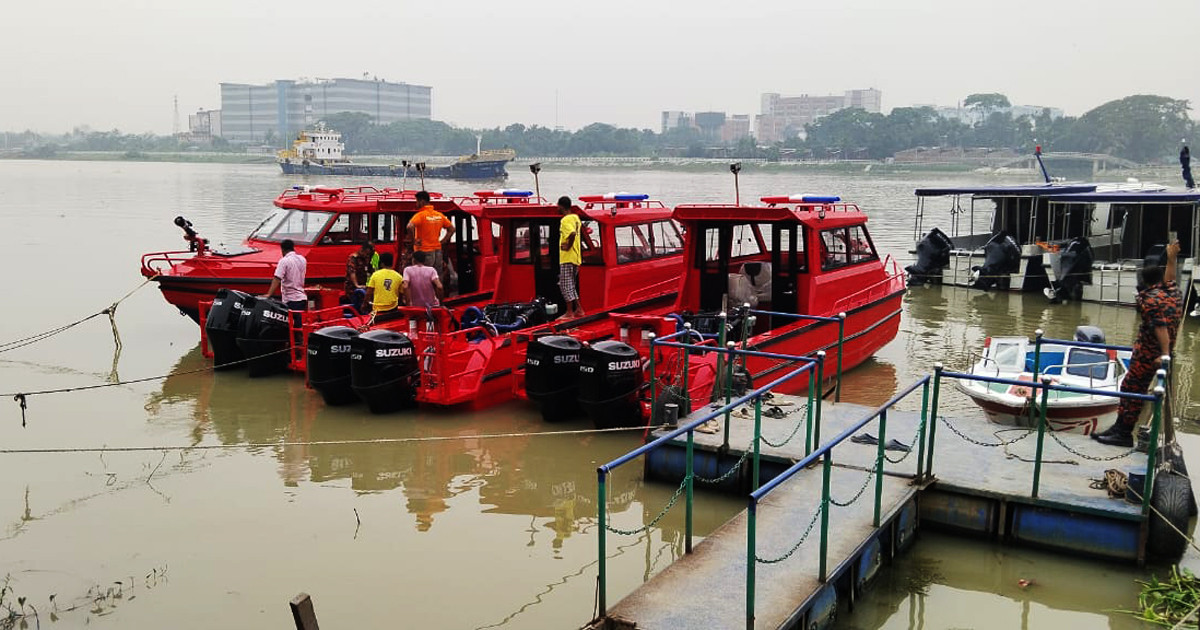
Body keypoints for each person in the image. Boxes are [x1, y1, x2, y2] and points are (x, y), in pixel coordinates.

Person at [1093, 240, 1183, 447]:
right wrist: (1172, 257)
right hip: (1157, 353)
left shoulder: (1149, 299)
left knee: (1131, 389)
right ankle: (1119, 426)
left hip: (1149, 354)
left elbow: (1160, 328)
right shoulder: (1172, 293)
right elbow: (1171, 276)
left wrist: (1164, 354)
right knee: (1132, 388)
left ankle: (1123, 433)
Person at [406, 190, 455, 289]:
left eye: (417, 201)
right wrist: (442, 242)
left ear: (422, 202)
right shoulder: (439, 215)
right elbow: (452, 229)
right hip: (437, 251)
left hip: (424, 252)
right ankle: (438, 299)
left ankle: (423, 298)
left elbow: (409, 226)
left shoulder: (420, 215)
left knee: (423, 277)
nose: (416, 204)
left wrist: (413, 241)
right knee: (437, 277)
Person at [557, 195, 585, 318]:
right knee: (571, 285)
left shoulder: (565, 220)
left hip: (567, 257)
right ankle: (579, 309)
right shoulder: (576, 218)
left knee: (565, 285)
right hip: (575, 257)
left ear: (561, 206)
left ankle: (569, 312)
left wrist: (567, 246)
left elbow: (572, 233)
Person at [263, 239, 308, 313]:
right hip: (302, 298)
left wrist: (269, 294)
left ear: (282, 249)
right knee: (298, 323)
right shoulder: (302, 259)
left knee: (291, 323)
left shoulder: (284, 261)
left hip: (291, 300)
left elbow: (277, 278)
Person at [365, 252, 406, 322]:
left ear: (382, 263)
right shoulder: (399, 276)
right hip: (393, 309)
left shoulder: (375, 275)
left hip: (378, 310)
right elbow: (401, 296)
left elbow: (369, 293)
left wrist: (365, 304)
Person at [345, 242, 374, 314]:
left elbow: (371, 270)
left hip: (363, 284)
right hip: (352, 287)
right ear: (362, 250)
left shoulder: (367, 258)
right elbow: (352, 272)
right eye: (366, 253)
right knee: (357, 304)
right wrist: (356, 285)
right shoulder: (353, 258)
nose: (367, 255)